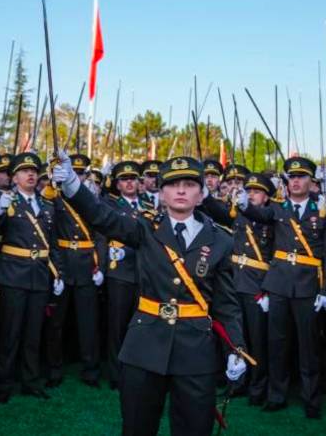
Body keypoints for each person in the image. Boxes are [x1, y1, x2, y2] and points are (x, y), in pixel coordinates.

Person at [54, 153, 247, 436]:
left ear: (202, 193)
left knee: (194, 429)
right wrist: (72, 184)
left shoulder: (221, 239)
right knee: (137, 427)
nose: (181, 190)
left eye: (189, 184)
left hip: (195, 348)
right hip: (145, 344)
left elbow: (226, 303)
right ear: (161, 192)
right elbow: (101, 216)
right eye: (172, 184)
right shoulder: (144, 227)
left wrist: (236, 348)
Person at [238, 156, 326, 419]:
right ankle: (276, 394)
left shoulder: (322, 210)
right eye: (291, 177)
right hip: (279, 285)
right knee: (277, 344)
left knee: (309, 347)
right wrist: (243, 205)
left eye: (301, 176)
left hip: (308, 287)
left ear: (311, 181)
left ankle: (311, 399)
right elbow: (259, 213)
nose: (295, 181)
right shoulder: (278, 209)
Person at [0, 151, 63, 403]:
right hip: (13, 273)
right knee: (10, 333)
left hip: (40, 274)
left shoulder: (46, 205)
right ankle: (4, 383)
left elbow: (52, 243)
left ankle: (30, 381)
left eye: (34, 171)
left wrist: (58, 272)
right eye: (24, 171)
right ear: (14, 177)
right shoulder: (6, 201)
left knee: (34, 333)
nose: (31, 174)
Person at [202, 172, 276, 406]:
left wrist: (268, 289)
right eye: (249, 190)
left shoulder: (273, 219)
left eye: (256, 192)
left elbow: (277, 256)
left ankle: (258, 386)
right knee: (235, 338)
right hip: (234, 281)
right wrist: (205, 195)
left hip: (257, 285)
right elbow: (219, 213)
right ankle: (237, 382)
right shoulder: (239, 215)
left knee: (257, 339)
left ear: (266, 197)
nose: (251, 195)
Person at [46, 153, 103, 388]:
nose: (77, 176)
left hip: (87, 266)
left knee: (88, 323)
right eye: (74, 172)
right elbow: (48, 234)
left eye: (80, 173)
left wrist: (99, 265)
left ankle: (90, 370)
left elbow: (100, 233)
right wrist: (55, 269)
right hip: (63, 264)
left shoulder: (90, 198)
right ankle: (54, 369)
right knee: (56, 323)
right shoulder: (54, 197)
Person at [102, 161, 154, 390]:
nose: (130, 182)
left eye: (133, 178)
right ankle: (116, 373)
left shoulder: (148, 203)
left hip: (143, 270)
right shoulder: (111, 204)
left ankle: (137, 369)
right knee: (116, 325)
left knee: (140, 324)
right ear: (117, 184)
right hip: (120, 270)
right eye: (124, 179)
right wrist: (102, 265)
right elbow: (101, 235)